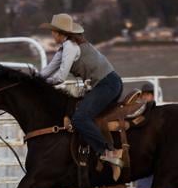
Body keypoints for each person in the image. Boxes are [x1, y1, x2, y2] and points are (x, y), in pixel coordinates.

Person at [38, 13, 124, 169]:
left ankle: (106, 151)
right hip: (107, 83)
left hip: (107, 84)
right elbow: (47, 71)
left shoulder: (70, 47)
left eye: (53, 31)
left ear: (59, 32)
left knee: (80, 118)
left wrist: (43, 85)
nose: (51, 34)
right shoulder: (65, 48)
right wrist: (33, 80)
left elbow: (61, 76)